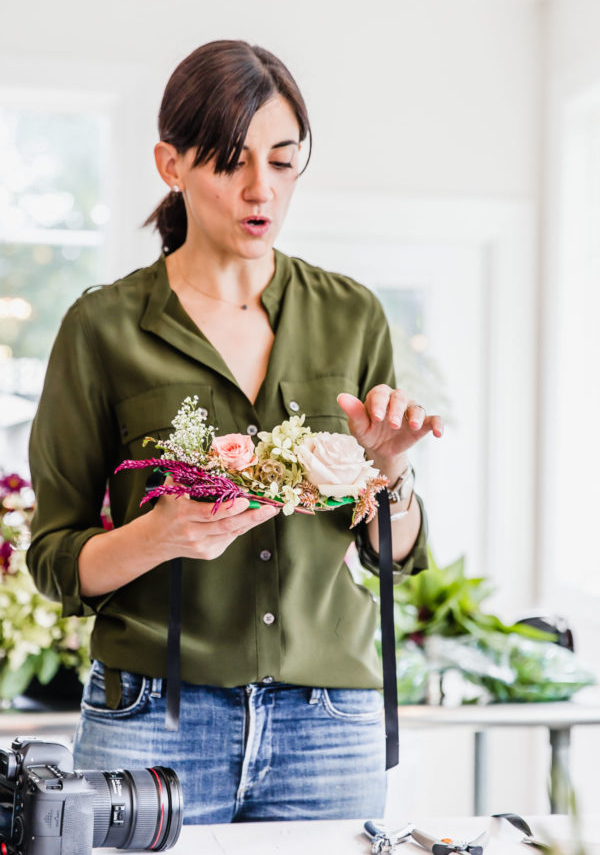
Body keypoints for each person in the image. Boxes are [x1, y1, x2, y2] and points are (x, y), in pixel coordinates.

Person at [27, 40, 443, 824]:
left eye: (283, 162)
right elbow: (54, 561)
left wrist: (389, 478)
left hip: (332, 722)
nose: (262, 190)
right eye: (229, 161)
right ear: (171, 165)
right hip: (153, 721)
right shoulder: (102, 328)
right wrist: (162, 535)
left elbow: (396, 555)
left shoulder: (352, 316)